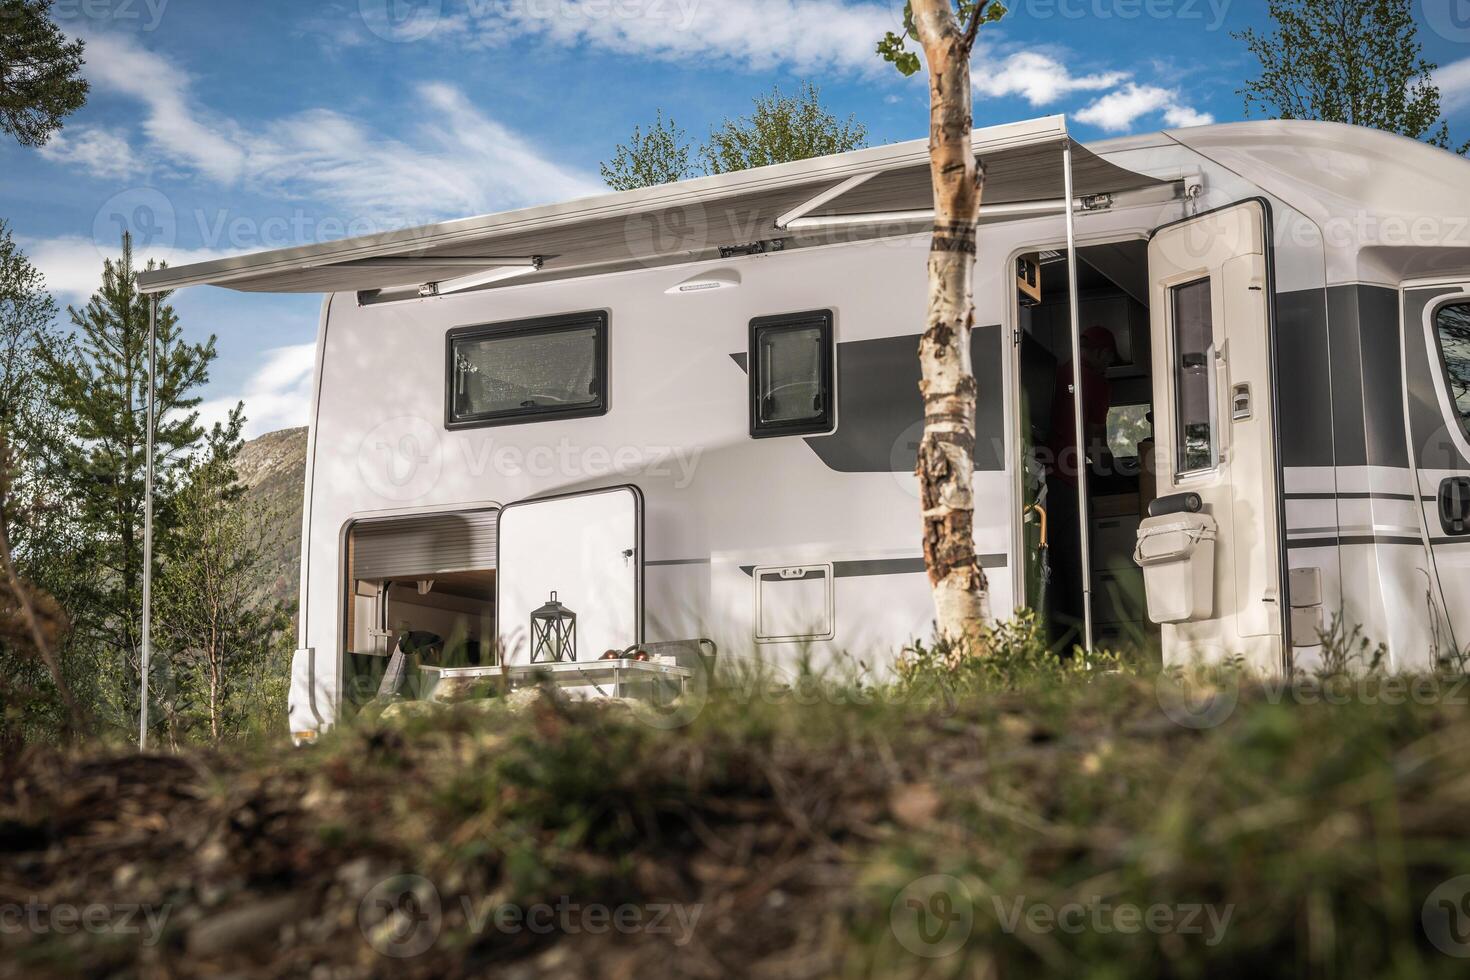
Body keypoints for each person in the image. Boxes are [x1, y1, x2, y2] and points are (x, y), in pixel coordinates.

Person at [1047, 325, 1119, 486]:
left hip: (1043, 472)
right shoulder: (1096, 383)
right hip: (1068, 475)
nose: (1108, 367)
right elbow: (1096, 442)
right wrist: (1115, 475)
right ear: (1103, 352)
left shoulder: (1058, 373)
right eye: (1109, 360)